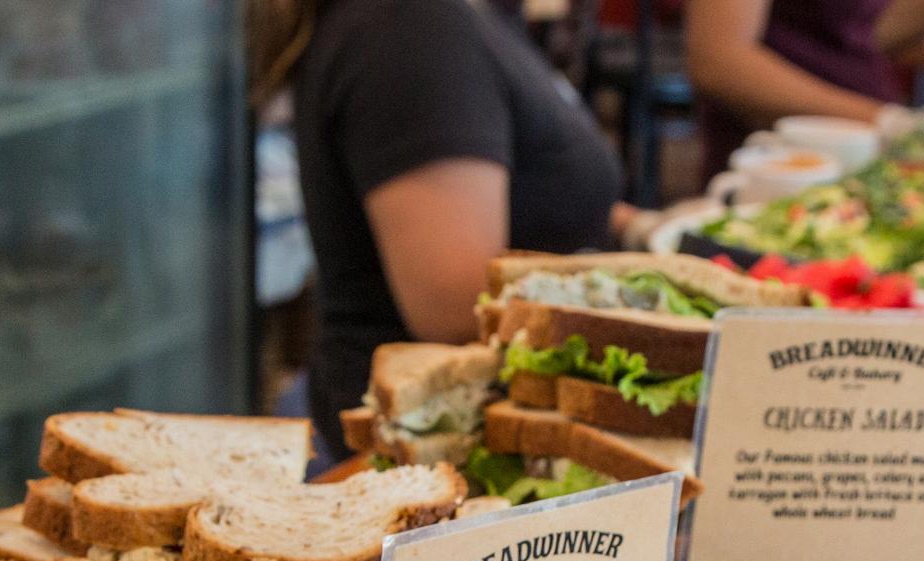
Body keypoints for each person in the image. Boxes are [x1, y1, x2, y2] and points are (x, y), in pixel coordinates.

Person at [258, 0, 639, 458]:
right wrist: (652, 295)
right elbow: (460, 308)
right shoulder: (407, 28)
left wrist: (637, 227)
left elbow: (533, 192)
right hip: (432, 451)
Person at [685, 0, 924, 178]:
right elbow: (718, 60)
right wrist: (887, 121)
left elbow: (858, 32)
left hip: (867, 164)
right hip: (779, 171)